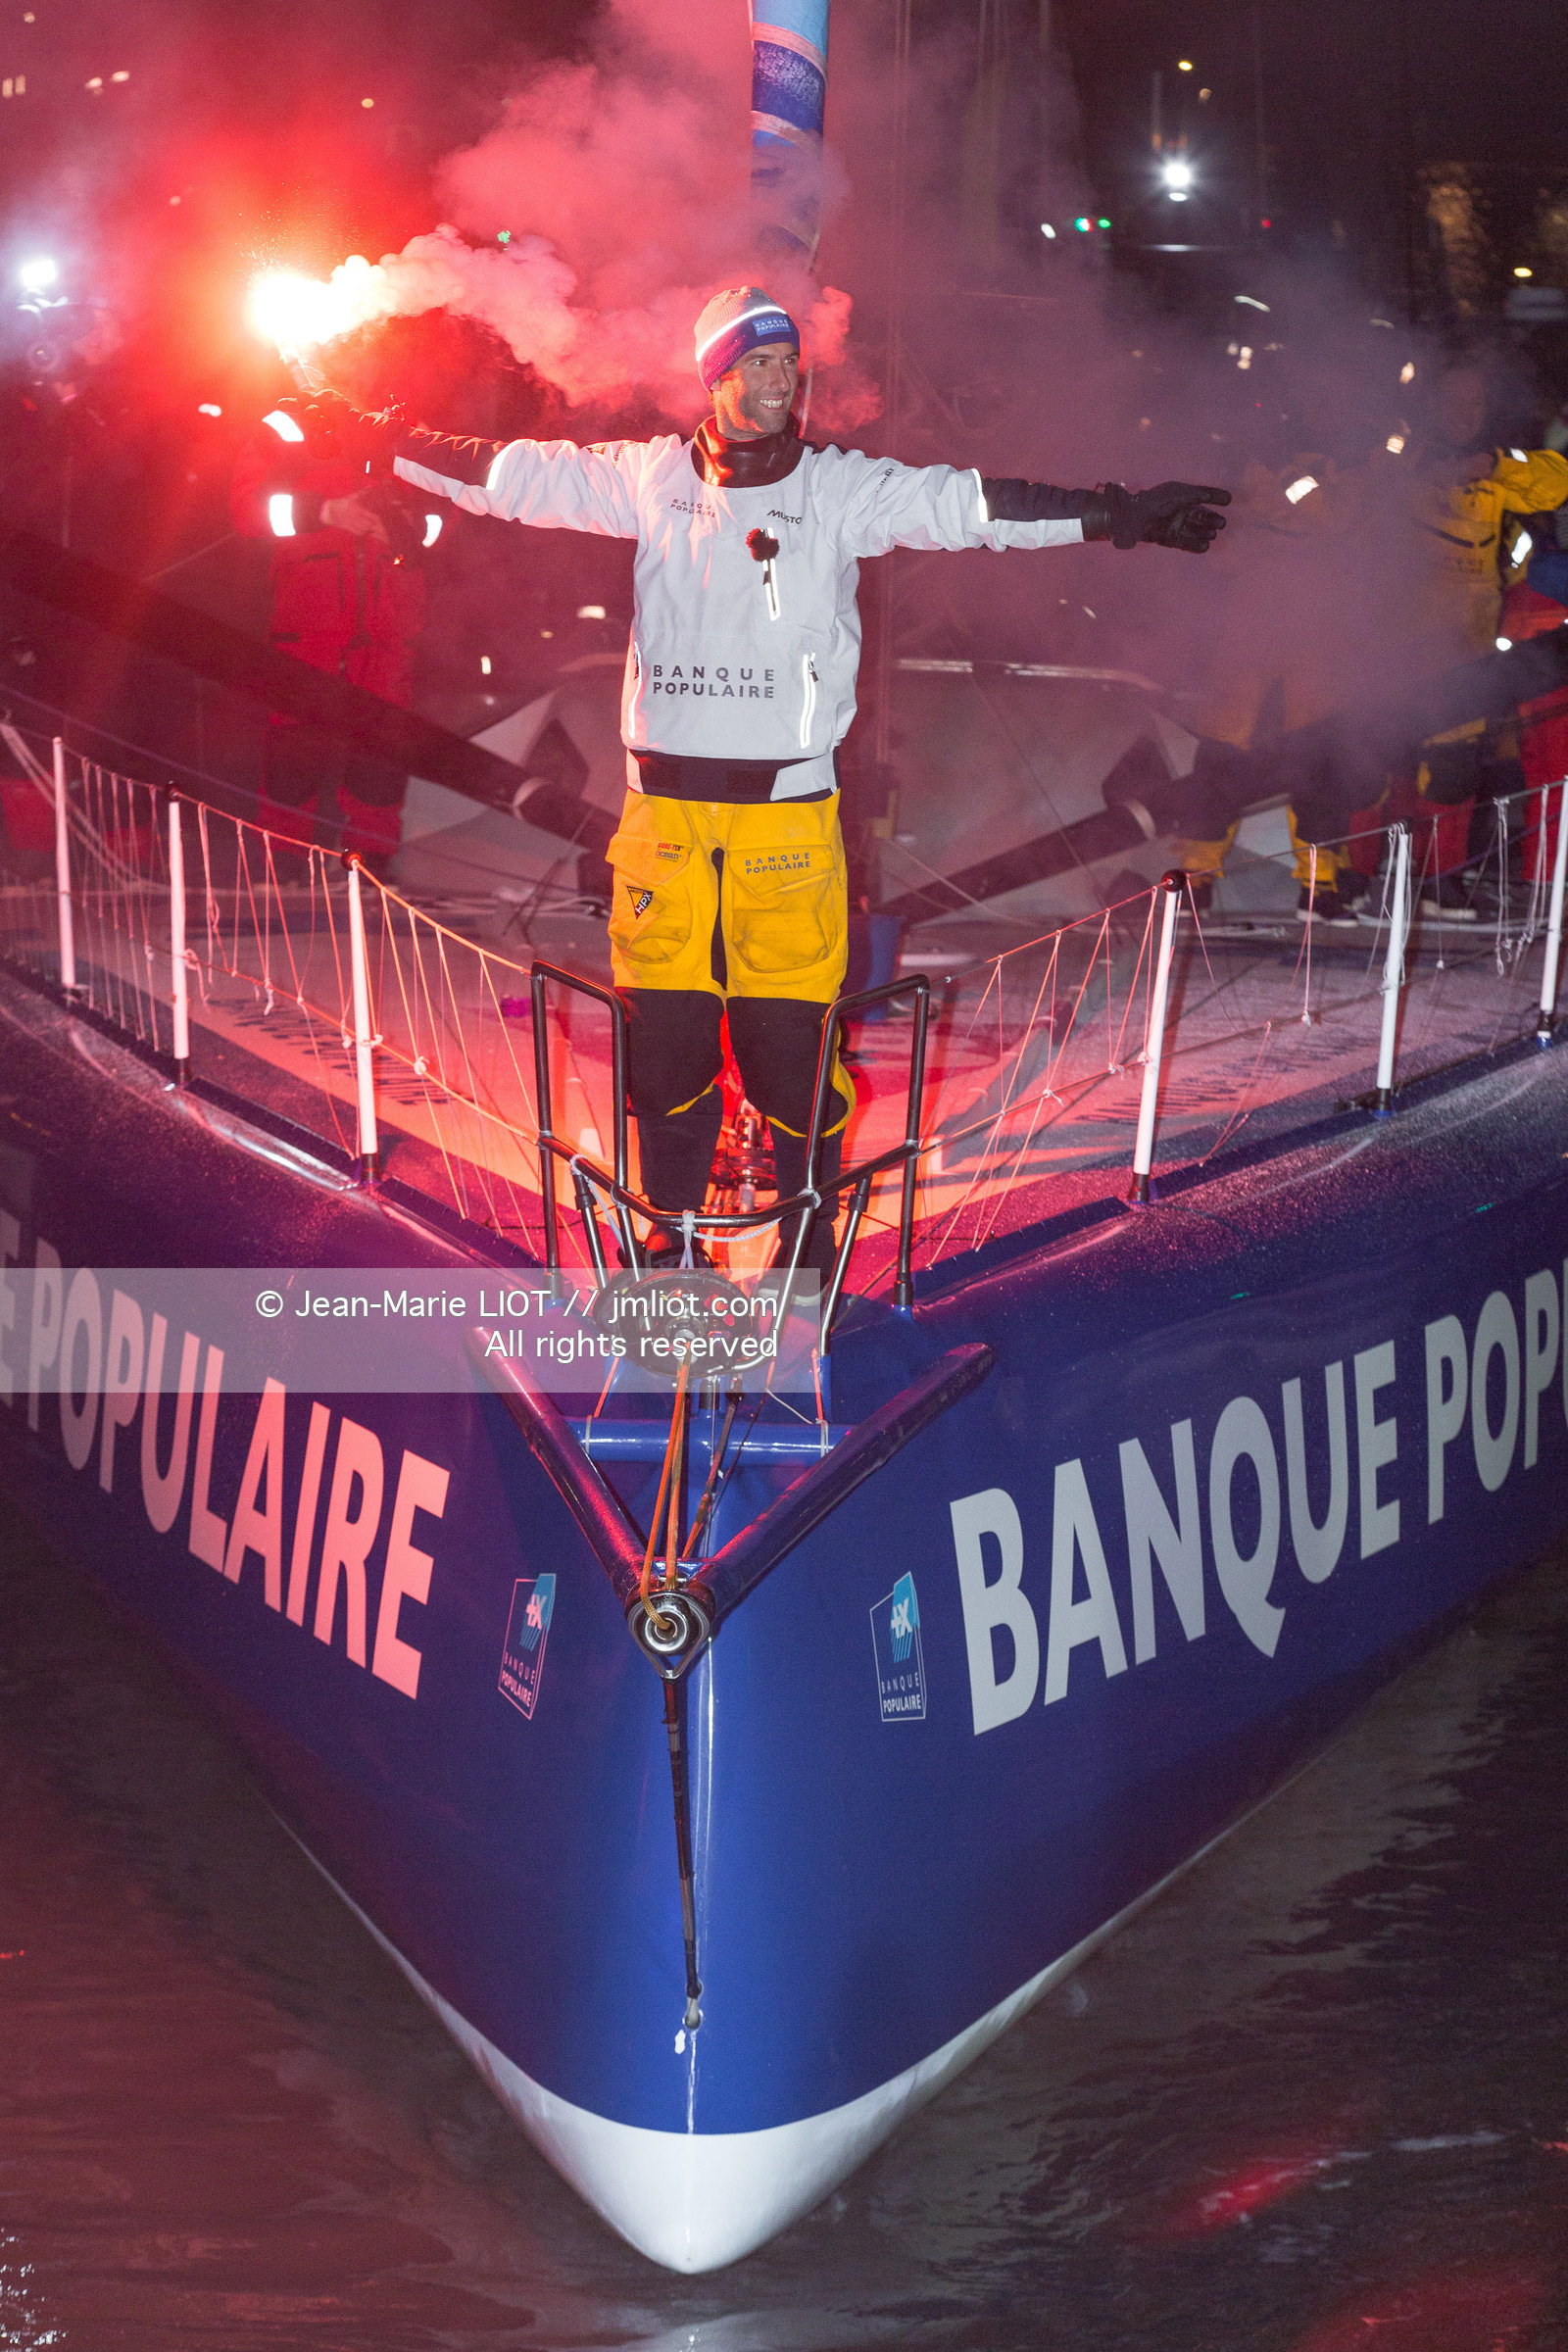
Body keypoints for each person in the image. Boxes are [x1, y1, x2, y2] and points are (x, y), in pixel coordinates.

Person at [336, 285, 1229, 1266]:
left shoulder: (839, 489)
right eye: (757, 364)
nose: (778, 382)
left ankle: (807, 1243)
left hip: (786, 823)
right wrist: (376, 438)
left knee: (787, 1054)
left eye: (788, 366)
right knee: (665, 1048)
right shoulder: (645, 477)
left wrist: (1121, 515)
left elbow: (973, 507)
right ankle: (670, 1240)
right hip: (664, 822)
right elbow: (503, 476)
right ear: (715, 376)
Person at [1370, 360, 1568, 918]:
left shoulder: (1492, 470)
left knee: (1455, 764)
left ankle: (1437, 881)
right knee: (1379, 761)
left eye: (1476, 403)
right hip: (1400, 635)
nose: (1466, 414)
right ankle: (1360, 882)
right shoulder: (1396, 457)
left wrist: (1497, 464)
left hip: (1468, 641)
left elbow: (1556, 482)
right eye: (1455, 401)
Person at [232, 394, 435, 865]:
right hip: (309, 627)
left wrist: (405, 528)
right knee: (294, 752)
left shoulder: (409, 427)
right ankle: (282, 865)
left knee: (381, 758)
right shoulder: (282, 427)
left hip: (388, 630)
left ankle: (373, 869)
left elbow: (445, 515)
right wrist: (326, 513)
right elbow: (247, 511)